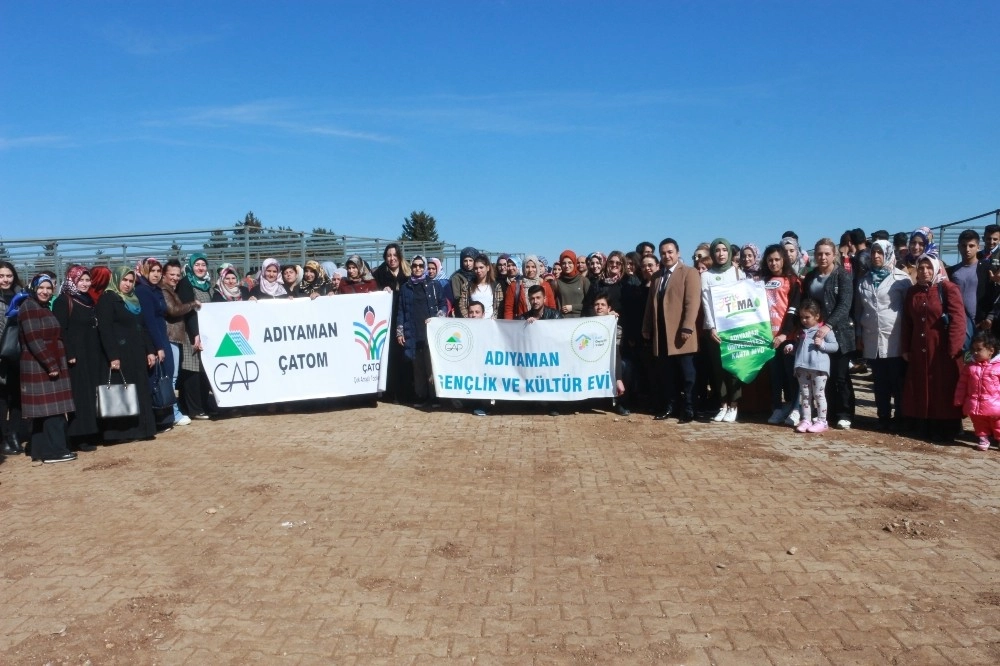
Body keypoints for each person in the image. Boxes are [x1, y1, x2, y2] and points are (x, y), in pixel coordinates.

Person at [901, 254, 965, 441]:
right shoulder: (913, 292)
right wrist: (906, 347)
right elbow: (907, 322)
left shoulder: (948, 289)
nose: (925, 271)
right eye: (921, 268)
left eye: (929, 267)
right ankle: (924, 424)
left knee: (942, 388)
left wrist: (953, 349)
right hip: (919, 347)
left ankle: (946, 428)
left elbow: (958, 320)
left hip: (942, 349)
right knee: (921, 386)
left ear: (937, 268)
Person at [18, 274, 76, 463]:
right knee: (53, 411)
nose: (45, 291)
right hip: (40, 366)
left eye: (49, 288)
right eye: (41, 288)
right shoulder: (29, 307)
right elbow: (34, 339)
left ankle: (40, 449)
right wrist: (51, 364)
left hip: (45, 363)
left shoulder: (42, 307)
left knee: (46, 412)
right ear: (34, 288)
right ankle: (55, 451)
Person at [643, 238, 701, 423]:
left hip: (681, 333)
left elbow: (692, 302)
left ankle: (689, 408)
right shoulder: (657, 277)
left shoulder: (689, 273)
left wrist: (687, 326)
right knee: (667, 374)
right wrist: (647, 327)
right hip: (662, 334)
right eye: (663, 253)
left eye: (670, 252)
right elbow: (650, 305)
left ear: (678, 253)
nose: (667, 256)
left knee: (687, 375)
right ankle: (671, 406)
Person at [97, 267, 157, 442]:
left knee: (139, 391)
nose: (127, 284)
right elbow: (105, 329)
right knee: (123, 392)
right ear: (116, 280)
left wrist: (150, 350)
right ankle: (121, 433)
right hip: (121, 355)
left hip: (137, 353)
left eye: (131, 281)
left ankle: (142, 429)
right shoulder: (108, 299)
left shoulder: (134, 301)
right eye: (124, 280)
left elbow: (142, 327)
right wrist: (113, 356)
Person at [855, 240, 910, 430]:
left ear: (888, 253)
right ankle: (883, 417)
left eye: (880, 252)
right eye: (873, 253)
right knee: (880, 381)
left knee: (897, 380)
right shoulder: (864, 280)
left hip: (894, 337)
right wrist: (859, 334)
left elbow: (908, 309)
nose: (876, 256)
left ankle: (901, 417)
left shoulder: (901, 279)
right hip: (872, 337)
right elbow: (859, 309)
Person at [802, 238, 856, 429]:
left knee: (841, 376)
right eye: (819, 254)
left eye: (826, 253)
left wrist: (829, 325)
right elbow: (807, 303)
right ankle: (828, 412)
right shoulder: (810, 276)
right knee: (824, 374)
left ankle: (845, 413)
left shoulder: (842, 275)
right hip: (816, 334)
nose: (822, 257)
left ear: (834, 255)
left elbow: (845, 304)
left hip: (839, 333)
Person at [52, 265, 103, 450]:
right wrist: (69, 352)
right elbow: (60, 329)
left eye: (87, 280)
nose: (84, 283)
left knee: (91, 393)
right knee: (80, 396)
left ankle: (92, 432)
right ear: (72, 280)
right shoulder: (63, 301)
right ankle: (78, 436)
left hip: (91, 353)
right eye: (81, 280)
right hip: (76, 356)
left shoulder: (88, 299)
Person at [701, 237, 746, 422]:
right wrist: (711, 327)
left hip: (734, 328)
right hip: (714, 329)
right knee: (717, 369)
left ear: (729, 252)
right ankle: (723, 405)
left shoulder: (738, 273)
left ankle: (734, 405)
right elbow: (706, 302)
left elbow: (744, 298)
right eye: (717, 250)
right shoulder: (706, 275)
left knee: (733, 368)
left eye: (724, 250)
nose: (721, 254)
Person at [396, 255, 447, 408]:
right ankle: (421, 396)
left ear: (424, 267)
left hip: (430, 332)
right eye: (414, 265)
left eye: (420, 265)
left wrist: (439, 316)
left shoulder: (434, 285)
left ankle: (434, 397)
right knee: (418, 367)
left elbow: (443, 303)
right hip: (413, 330)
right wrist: (400, 331)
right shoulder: (406, 287)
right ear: (411, 267)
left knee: (431, 365)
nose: (417, 268)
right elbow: (401, 310)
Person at [760, 244, 803, 425]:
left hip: (787, 337)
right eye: (770, 260)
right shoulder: (761, 281)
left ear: (784, 259)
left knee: (790, 375)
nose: (773, 263)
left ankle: (795, 408)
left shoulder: (793, 280)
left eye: (777, 259)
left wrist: (785, 334)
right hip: (767, 337)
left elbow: (793, 310)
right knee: (775, 376)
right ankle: (777, 408)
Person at [785, 299, 839, 433]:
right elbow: (799, 348)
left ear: (817, 316)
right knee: (805, 395)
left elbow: (835, 346)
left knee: (819, 394)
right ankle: (806, 419)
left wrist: (822, 345)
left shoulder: (823, 331)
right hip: (802, 368)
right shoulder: (801, 332)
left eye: (807, 317)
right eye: (802, 317)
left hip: (819, 369)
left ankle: (822, 420)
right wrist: (792, 347)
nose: (804, 320)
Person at [176, 253, 216, 420]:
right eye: (197, 264)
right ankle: (193, 409)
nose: (200, 268)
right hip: (191, 333)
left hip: (205, 333)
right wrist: (195, 334)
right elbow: (189, 311)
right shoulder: (186, 283)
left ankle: (203, 405)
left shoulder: (207, 284)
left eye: (203, 265)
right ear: (191, 267)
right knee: (192, 371)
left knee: (203, 370)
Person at [134, 258, 172, 430]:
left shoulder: (155, 290)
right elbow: (148, 321)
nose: (156, 274)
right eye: (152, 271)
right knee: (156, 379)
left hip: (161, 336)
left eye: (158, 271)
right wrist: (158, 347)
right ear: (144, 271)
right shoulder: (143, 291)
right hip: (155, 338)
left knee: (165, 376)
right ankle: (158, 418)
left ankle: (165, 417)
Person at [161, 260, 197, 426]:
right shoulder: (164, 290)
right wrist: (192, 304)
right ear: (164, 275)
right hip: (171, 337)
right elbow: (173, 310)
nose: (175, 278)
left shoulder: (170, 290)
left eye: (178, 274)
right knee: (172, 377)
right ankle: (173, 413)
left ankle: (171, 411)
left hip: (174, 337)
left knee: (172, 376)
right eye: (172, 274)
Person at [373, 243, 411, 402]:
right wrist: (380, 293)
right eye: (389, 255)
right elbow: (372, 294)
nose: (392, 258)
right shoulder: (379, 274)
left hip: (406, 320)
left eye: (395, 255)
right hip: (387, 321)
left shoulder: (408, 272)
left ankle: (407, 391)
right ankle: (390, 392)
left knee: (406, 356)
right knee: (390, 357)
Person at [955, 331, 1000, 451]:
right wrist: (959, 399)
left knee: (998, 424)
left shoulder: (998, 366)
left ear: (991, 350)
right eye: (973, 349)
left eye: (979, 349)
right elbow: (962, 384)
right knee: (979, 424)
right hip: (975, 404)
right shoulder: (970, 367)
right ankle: (983, 439)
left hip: (995, 404)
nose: (975, 353)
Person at [0, 261, 25, 455]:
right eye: (1, 276)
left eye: (8, 276)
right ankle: (3, 437)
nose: (5, 279)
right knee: (2, 399)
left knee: (17, 397)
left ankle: (14, 434)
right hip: (1, 354)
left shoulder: (22, 296)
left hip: (18, 352)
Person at [946, 229, 983, 350]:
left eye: (971, 246)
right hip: (959, 323)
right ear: (958, 247)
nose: (967, 249)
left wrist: (989, 317)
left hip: (982, 324)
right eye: (964, 245)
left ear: (978, 247)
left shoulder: (987, 269)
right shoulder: (951, 272)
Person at [503, 255, 555, 320]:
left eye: (533, 267)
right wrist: (509, 326)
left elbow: (552, 307)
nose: (530, 270)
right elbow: (508, 309)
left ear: (537, 268)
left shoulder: (545, 285)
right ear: (523, 268)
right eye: (527, 267)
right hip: (522, 324)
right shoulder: (514, 286)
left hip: (542, 324)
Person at [458, 254, 503, 319]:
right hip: (473, 322)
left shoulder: (496, 286)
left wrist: (493, 319)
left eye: (481, 267)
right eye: (476, 268)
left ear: (487, 268)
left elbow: (498, 306)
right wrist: (468, 318)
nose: (478, 271)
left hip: (490, 323)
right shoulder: (467, 286)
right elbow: (462, 305)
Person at [583, 250, 626, 315]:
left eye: (618, 263)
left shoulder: (626, 284)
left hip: (623, 322)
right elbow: (589, 306)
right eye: (611, 262)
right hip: (602, 322)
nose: (614, 265)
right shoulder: (598, 284)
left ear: (622, 265)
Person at [553, 250, 590, 318]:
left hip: (581, 322)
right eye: (564, 263)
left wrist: (573, 308)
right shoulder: (556, 283)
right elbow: (552, 305)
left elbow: (590, 304)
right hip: (562, 322)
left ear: (574, 263)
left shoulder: (583, 281)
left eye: (570, 263)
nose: (567, 266)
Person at [448, 247, 477, 317]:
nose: (468, 264)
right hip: (463, 313)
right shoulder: (457, 277)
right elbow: (457, 298)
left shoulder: (478, 275)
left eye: (470, 260)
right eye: (465, 261)